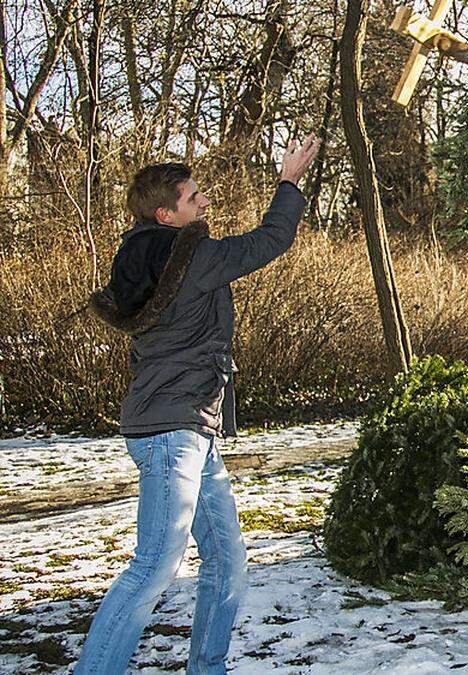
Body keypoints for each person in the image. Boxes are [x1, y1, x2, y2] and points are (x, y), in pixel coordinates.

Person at [76, 135, 320, 675]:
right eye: (193, 198)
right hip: (173, 432)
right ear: (167, 214)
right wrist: (289, 181)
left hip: (188, 430)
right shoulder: (190, 257)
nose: (204, 202)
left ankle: (206, 669)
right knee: (155, 568)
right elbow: (270, 239)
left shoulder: (139, 260)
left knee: (228, 565)